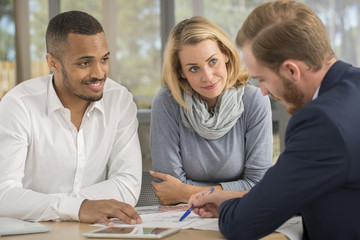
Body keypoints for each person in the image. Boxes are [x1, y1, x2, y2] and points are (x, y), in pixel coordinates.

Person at [189, 0, 360, 239]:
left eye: (262, 79)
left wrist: (231, 208)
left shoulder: (322, 123)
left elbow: (242, 226)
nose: (262, 91)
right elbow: (317, 189)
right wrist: (239, 198)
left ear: (291, 71)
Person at [0, 10, 142, 226]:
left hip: (92, 229)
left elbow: (127, 186)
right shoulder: (19, 104)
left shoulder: (119, 100)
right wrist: (79, 207)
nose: (99, 73)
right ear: (53, 63)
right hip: (33, 231)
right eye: (84, 63)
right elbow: (4, 195)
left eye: (104, 59)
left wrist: (57, 206)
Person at [150, 16, 273, 205]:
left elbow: (258, 184)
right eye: (193, 69)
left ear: (225, 54)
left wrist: (186, 191)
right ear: (180, 71)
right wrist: (234, 189)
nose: (207, 77)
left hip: (239, 209)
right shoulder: (167, 102)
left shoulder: (254, 100)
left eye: (212, 61)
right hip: (182, 214)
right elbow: (167, 187)